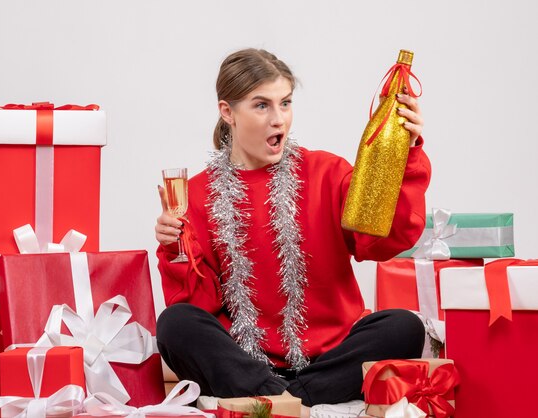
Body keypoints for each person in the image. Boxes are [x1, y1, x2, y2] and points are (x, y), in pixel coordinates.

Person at [154, 48, 430, 414]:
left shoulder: (326, 172)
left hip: (331, 355)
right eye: (262, 105)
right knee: (175, 325)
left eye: (285, 103)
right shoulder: (200, 193)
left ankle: (279, 401)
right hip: (245, 361)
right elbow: (198, 306)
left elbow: (383, 240)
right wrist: (177, 248)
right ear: (227, 112)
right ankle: (287, 395)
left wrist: (403, 155)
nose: (278, 119)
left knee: (404, 327)